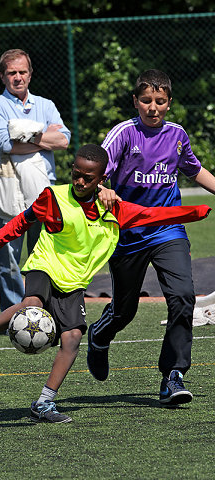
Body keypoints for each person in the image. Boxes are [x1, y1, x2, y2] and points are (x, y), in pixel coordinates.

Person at [0, 144, 210, 423]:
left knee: (73, 338)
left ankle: (43, 403)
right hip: (45, 266)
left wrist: (196, 212)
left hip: (74, 281)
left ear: (102, 180)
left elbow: (153, 216)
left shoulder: (115, 209)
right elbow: (24, 219)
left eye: (87, 178)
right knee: (31, 307)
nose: (79, 181)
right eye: (76, 174)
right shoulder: (53, 196)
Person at [87, 69, 215, 406]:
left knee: (183, 296)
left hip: (168, 228)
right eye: (146, 100)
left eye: (160, 101)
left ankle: (173, 375)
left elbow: (193, 168)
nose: (153, 107)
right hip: (128, 232)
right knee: (124, 311)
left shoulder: (177, 135)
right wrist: (102, 189)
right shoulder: (123, 134)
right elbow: (92, 174)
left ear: (169, 103)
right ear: (135, 101)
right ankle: (99, 336)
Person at [0, 48, 71, 312]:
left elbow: (64, 141)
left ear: (31, 74)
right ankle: (12, 314)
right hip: (8, 190)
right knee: (9, 258)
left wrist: (22, 134)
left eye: (23, 72)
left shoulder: (46, 105)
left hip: (44, 192)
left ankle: (41, 310)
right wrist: (43, 137)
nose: (18, 77)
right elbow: (4, 144)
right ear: (2, 76)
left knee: (42, 255)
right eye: (12, 72)